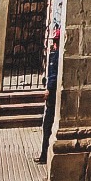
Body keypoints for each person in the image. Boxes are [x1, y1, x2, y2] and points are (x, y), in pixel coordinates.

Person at [37, 23, 61, 165]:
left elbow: (53, 76)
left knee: (47, 125)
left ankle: (44, 155)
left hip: (52, 95)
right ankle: (43, 154)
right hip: (52, 93)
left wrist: (48, 90)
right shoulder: (55, 54)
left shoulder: (56, 56)